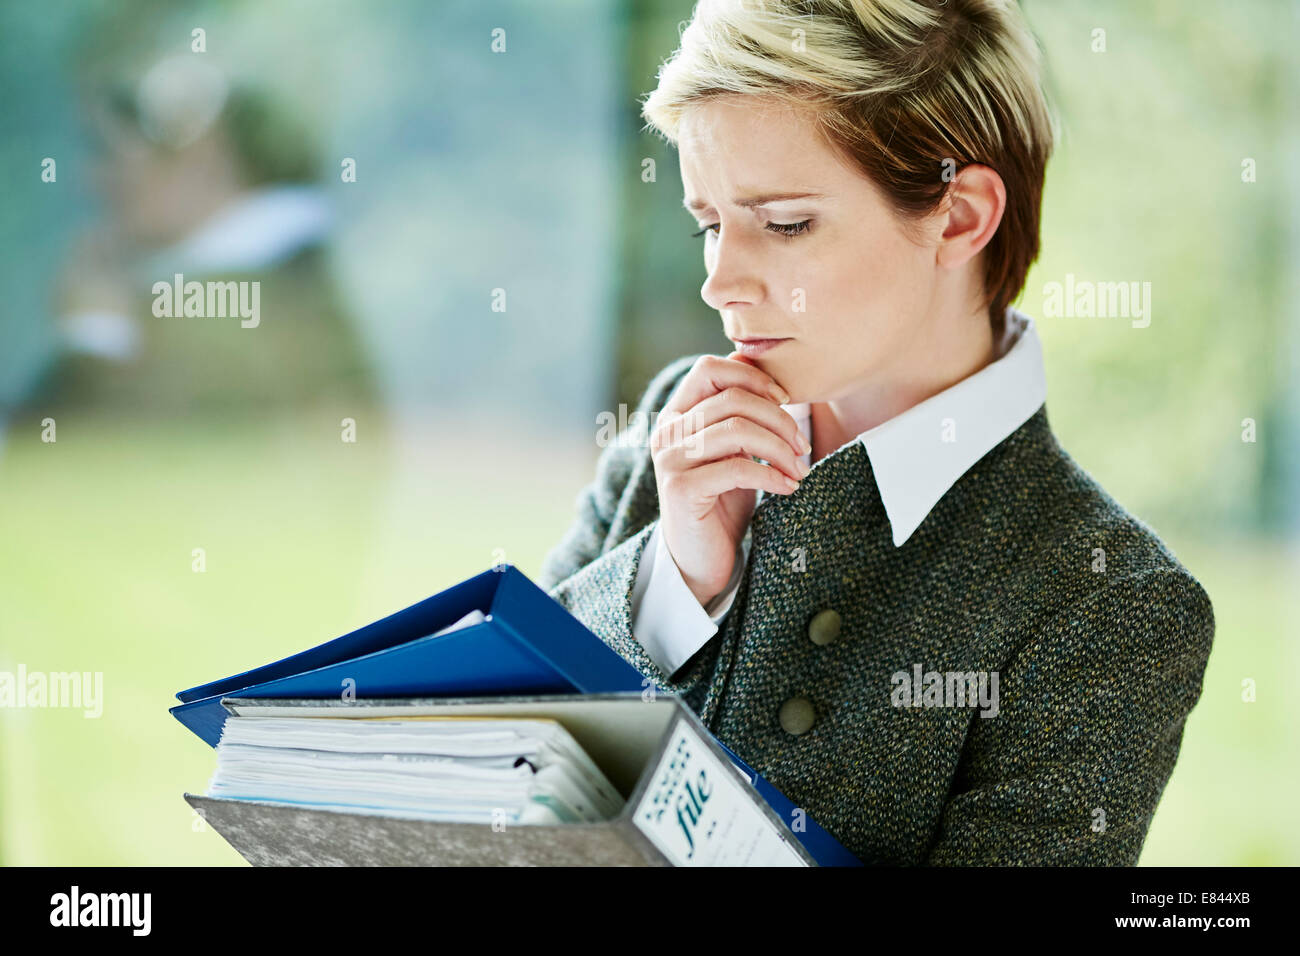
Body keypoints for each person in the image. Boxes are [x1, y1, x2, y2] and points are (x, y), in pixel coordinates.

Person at [537, 0, 1214, 865]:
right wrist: (672, 583)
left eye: (785, 223)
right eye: (710, 224)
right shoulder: (676, 428)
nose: (720, 282)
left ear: (960, 216)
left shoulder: (1112, 603)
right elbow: (496, 753)